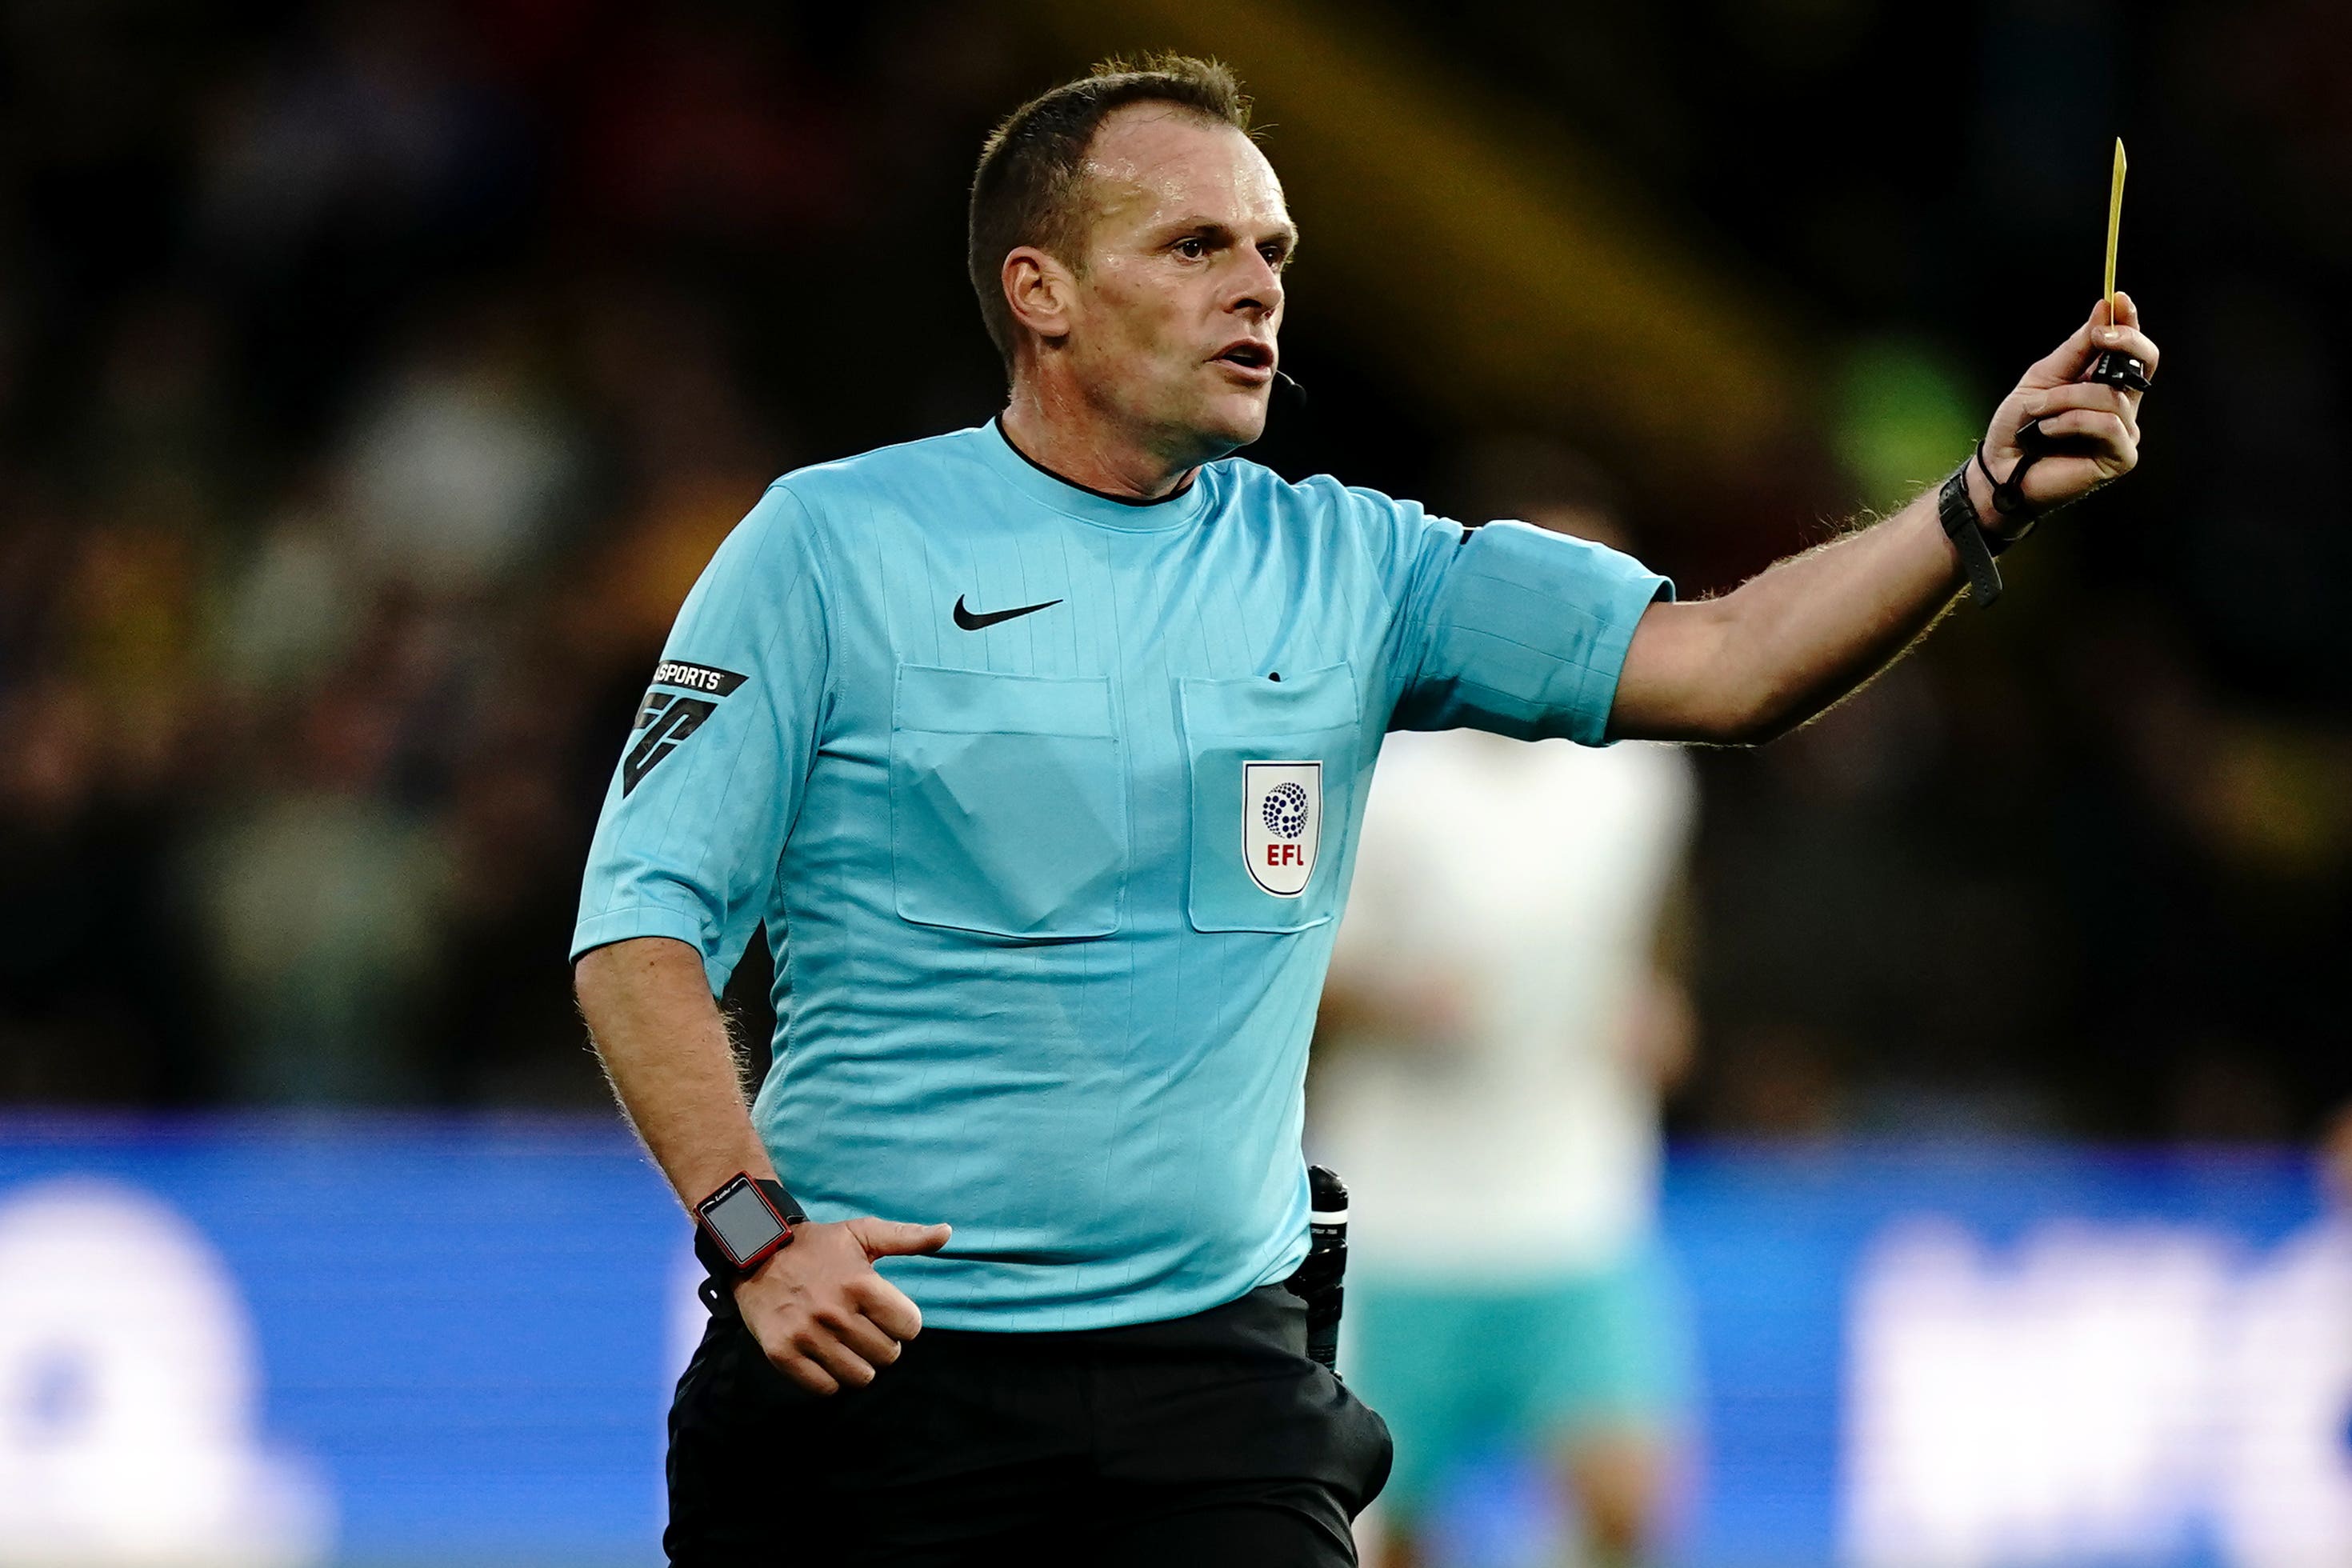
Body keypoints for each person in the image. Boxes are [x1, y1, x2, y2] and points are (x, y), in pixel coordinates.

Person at [569, 52, 2155, 1568]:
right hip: (879, 1361)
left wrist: (1977, 498)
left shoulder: (1359, 567)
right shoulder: (831, 546)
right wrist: (758, 1232)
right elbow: (639, 919)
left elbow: (1730, 660)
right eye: (1194, 244)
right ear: (1037, 290)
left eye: (1272, 247)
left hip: (1216, 1383)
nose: (1256, 283)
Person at [1313, 462, 1699, 1568]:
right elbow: (1291, 974)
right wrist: (1391, 997)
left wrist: (1656, 1006)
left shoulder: (1643, 771)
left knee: (1627, 1501)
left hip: (1573, 1197)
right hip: (1404, 1212)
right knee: (1391, 1533)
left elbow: (1652, 935)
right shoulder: (1382, 760)